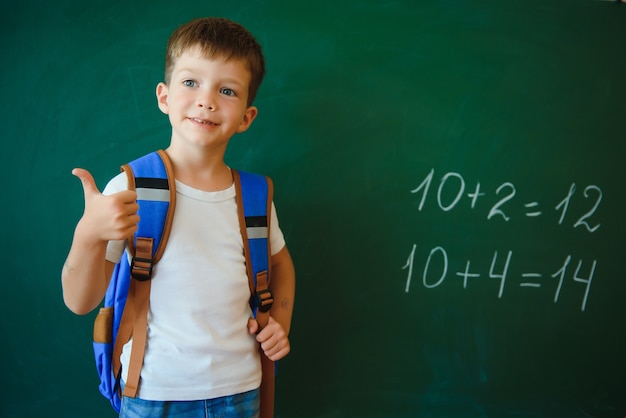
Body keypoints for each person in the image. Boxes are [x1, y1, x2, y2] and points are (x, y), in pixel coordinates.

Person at [61, 17, 295, 417]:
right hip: (154, 394)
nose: (206, 100)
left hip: (241, 392)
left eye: (227, 90)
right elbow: (79, 302)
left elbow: (279, 265)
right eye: (191, 82)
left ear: (246, 117)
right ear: (164, 96)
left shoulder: (255, 196)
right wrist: (89, 234)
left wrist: (280, 323)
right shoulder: (130, 187)